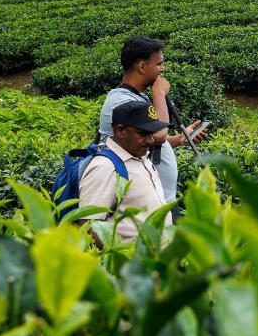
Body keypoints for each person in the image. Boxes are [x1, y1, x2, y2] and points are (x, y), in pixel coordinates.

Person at [99, 35, 207, 204]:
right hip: (143, 202)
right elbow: (158, 135)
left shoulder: (138, 97)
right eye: (158, 64)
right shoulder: (122, 101)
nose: (162, 69)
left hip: (160, 199)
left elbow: (146, 139)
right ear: (142, 67)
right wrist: (159, 93)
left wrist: (179, 140)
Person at [80, 99, 175, 243]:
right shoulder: (105, 167)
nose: (150, 140)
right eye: (142, 133)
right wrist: (121, 255)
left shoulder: (141, 156)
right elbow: (88, 226)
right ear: (120, 131)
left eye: (151, 133)